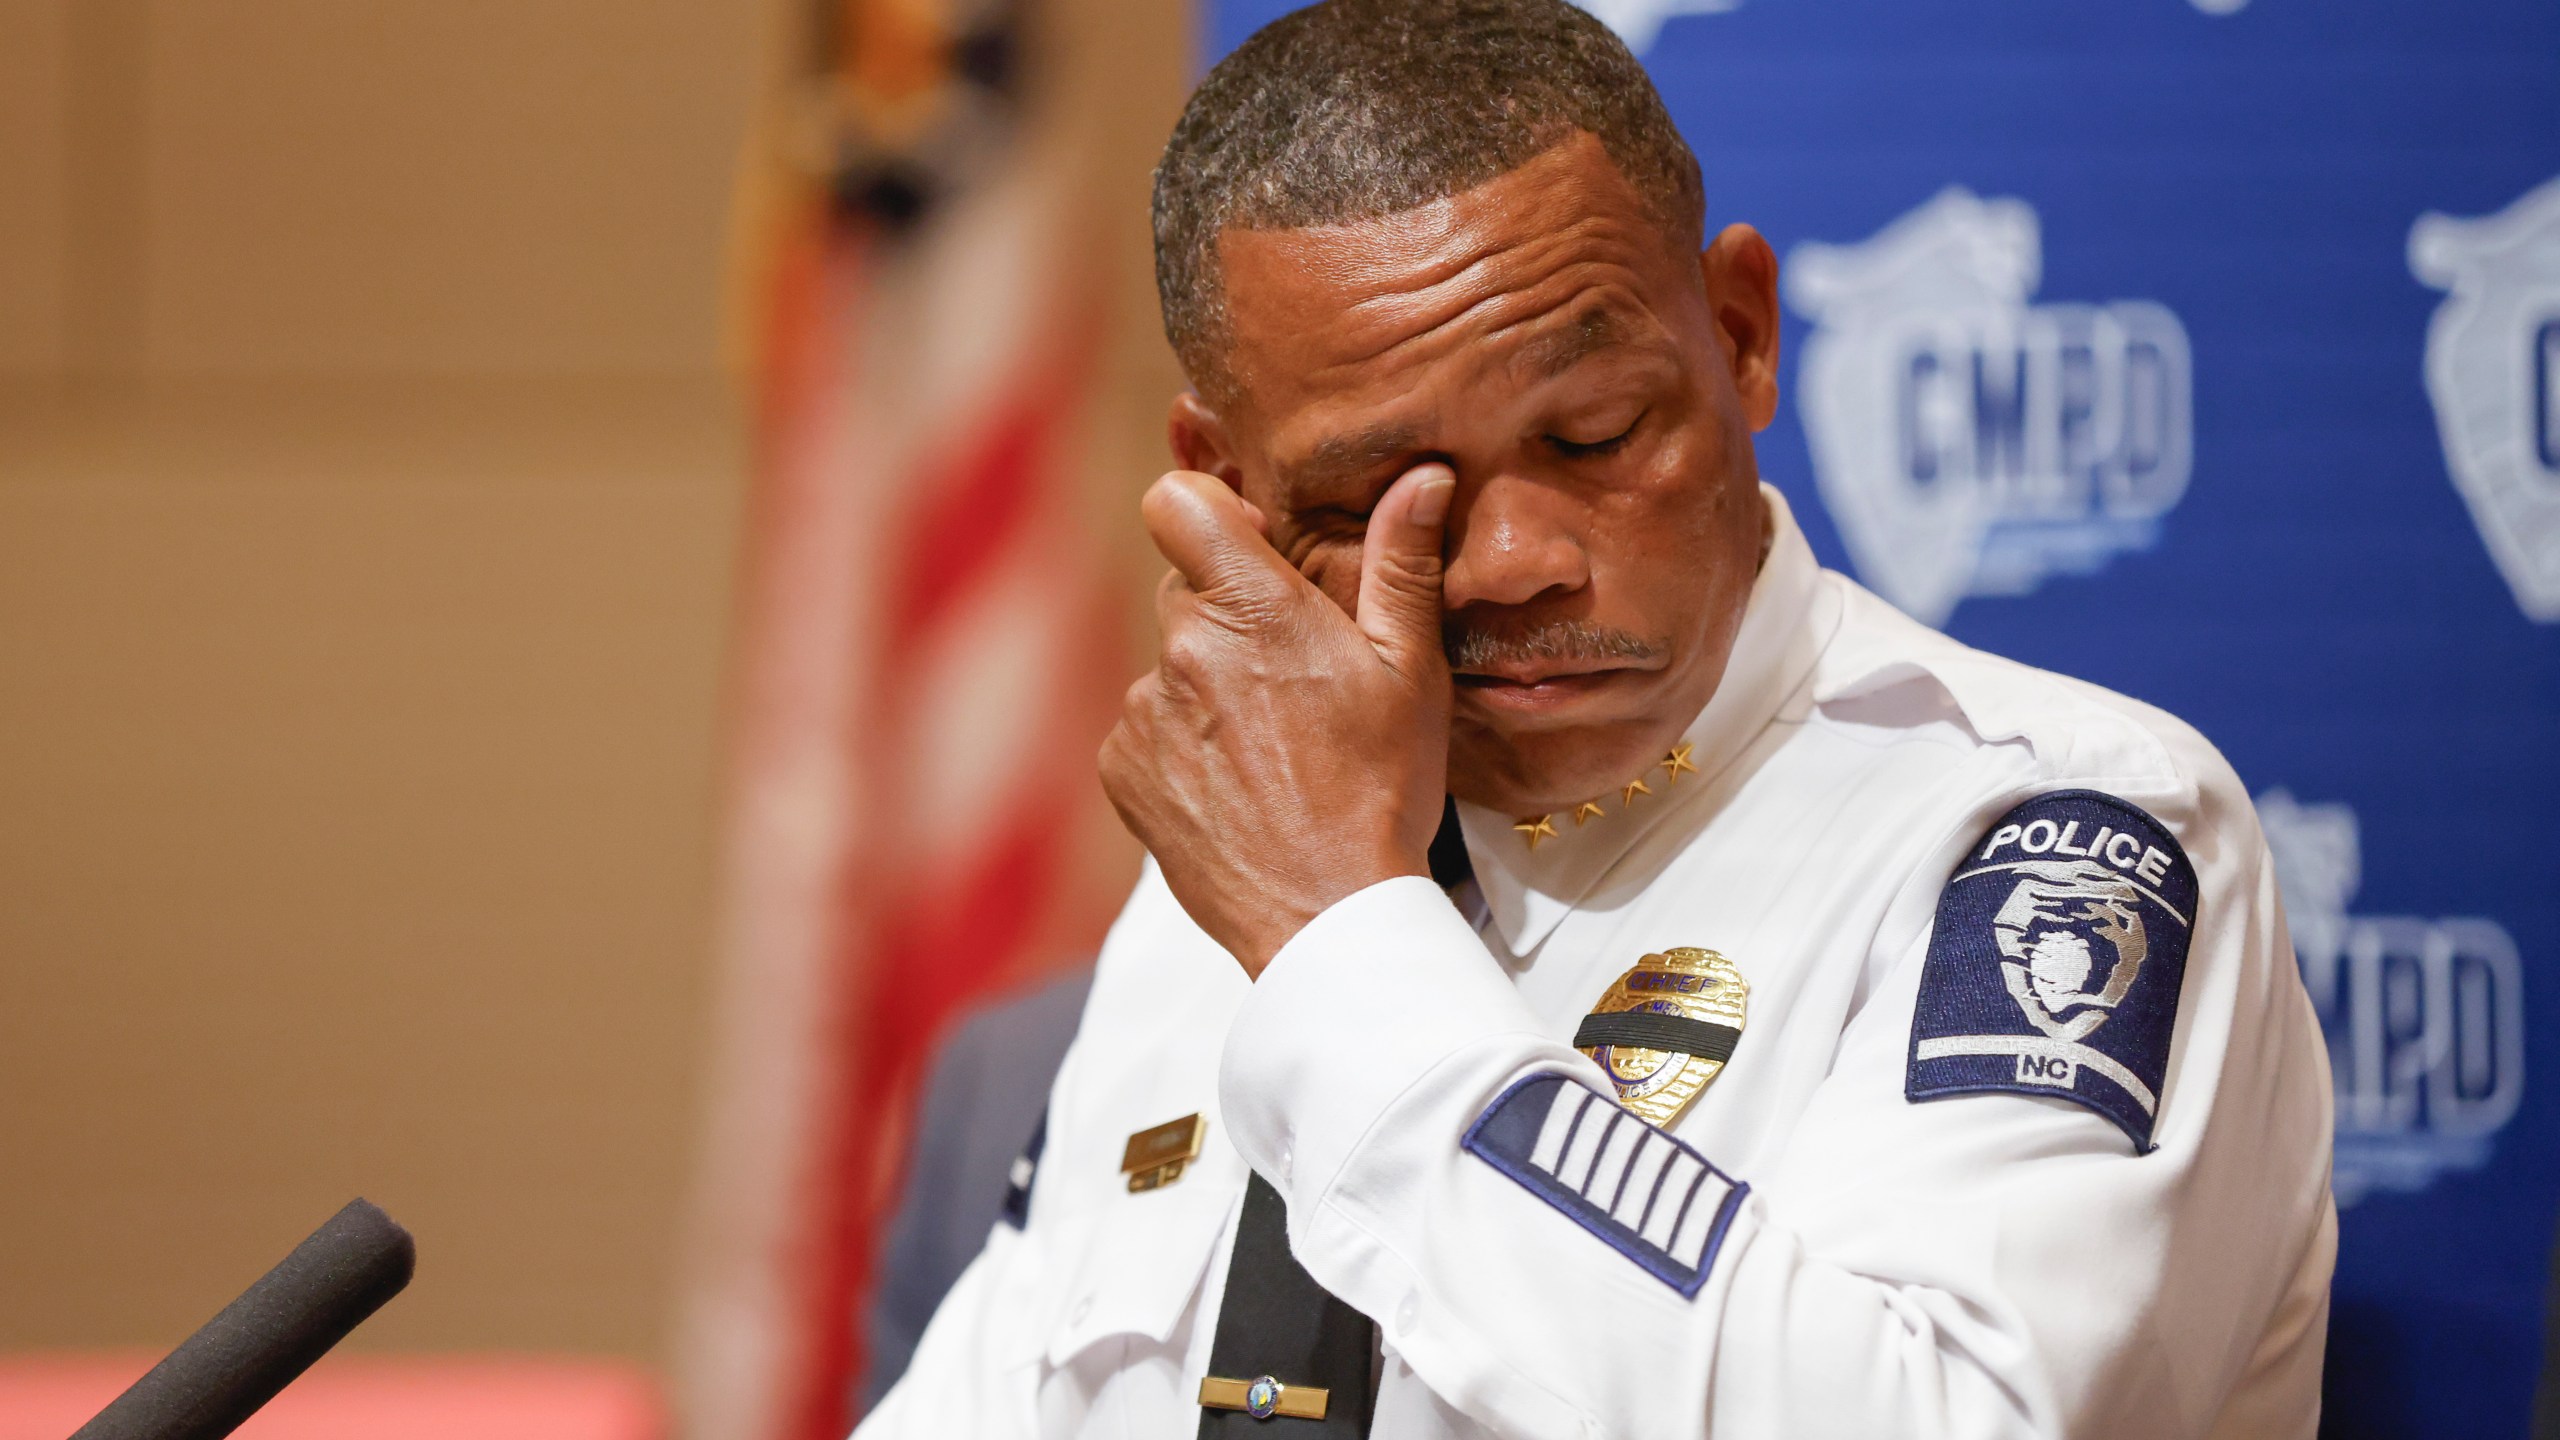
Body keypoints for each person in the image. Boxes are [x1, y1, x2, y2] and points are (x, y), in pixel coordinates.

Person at [856, 0, 2335, 1434]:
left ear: (1743, 337)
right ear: (1227, 483)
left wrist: (1343, 942)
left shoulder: (2050, 827)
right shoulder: (1254, 860)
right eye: (1378, 498)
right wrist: (1325, 901)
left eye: (1594, 436)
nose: (1512, 563)